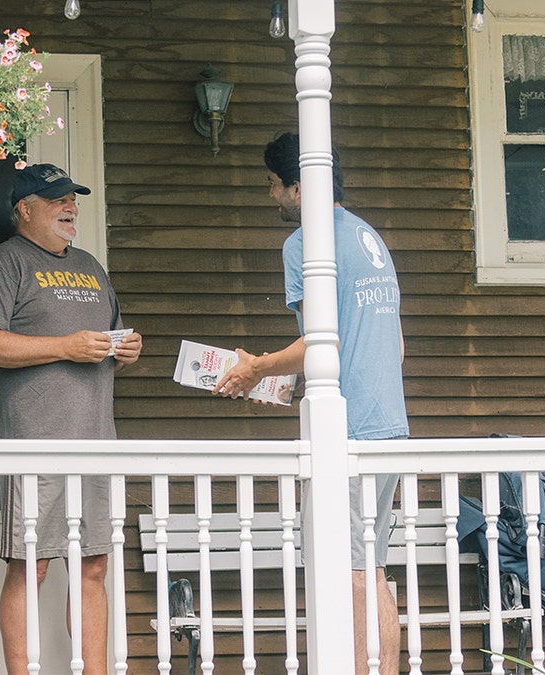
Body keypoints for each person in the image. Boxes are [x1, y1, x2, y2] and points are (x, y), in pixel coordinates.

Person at [214, 133, 407, 675]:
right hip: (389, 422)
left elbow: (322, 344)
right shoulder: (371, 238)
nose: (272, 196)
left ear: (299, 188)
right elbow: (394, 346)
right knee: (370, 569)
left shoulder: (305, 243)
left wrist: (256, 368)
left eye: (274, 185)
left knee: (348, 572)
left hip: (349, 430)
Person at [0, 163, 142, 675]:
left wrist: (126, 347)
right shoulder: (5, 262)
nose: (71, 207)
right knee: (32, 565)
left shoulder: (90, 265)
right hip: (33, 445)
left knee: (93, 566)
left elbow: (108, 336)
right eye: (58, 199)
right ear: (25, 208)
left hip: (96, 442)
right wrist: (65, 346)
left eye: (73, 199)